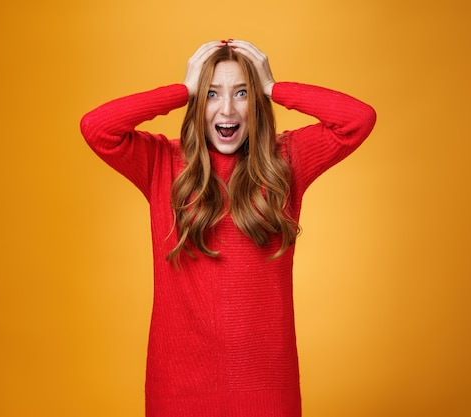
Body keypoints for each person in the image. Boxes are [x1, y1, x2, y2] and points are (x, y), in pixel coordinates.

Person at [80, 39, 376, 417]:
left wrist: (272, 86)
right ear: (197, 104)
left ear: (256, 106)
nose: (228, 109)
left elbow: (357, 120)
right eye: (211, 94)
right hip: (179, 389)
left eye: (242, 94)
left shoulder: (284, 163)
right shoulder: (161, 164)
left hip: (267, 387)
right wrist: (182, 90)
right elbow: (97, 127)